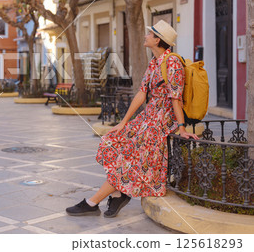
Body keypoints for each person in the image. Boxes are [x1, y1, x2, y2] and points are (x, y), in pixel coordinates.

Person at [66, 20, 199, 218]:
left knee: (129, 161)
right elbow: (141, 93)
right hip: (148, 117)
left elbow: (175, 98)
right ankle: (119, 194)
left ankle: (92, 203)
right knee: (111, 141)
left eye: (150, 34)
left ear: (157, 40)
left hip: (160, 121)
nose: (146, 36)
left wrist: (181, 128)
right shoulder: (155, 62)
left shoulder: (173, 63)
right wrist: (124, 122)